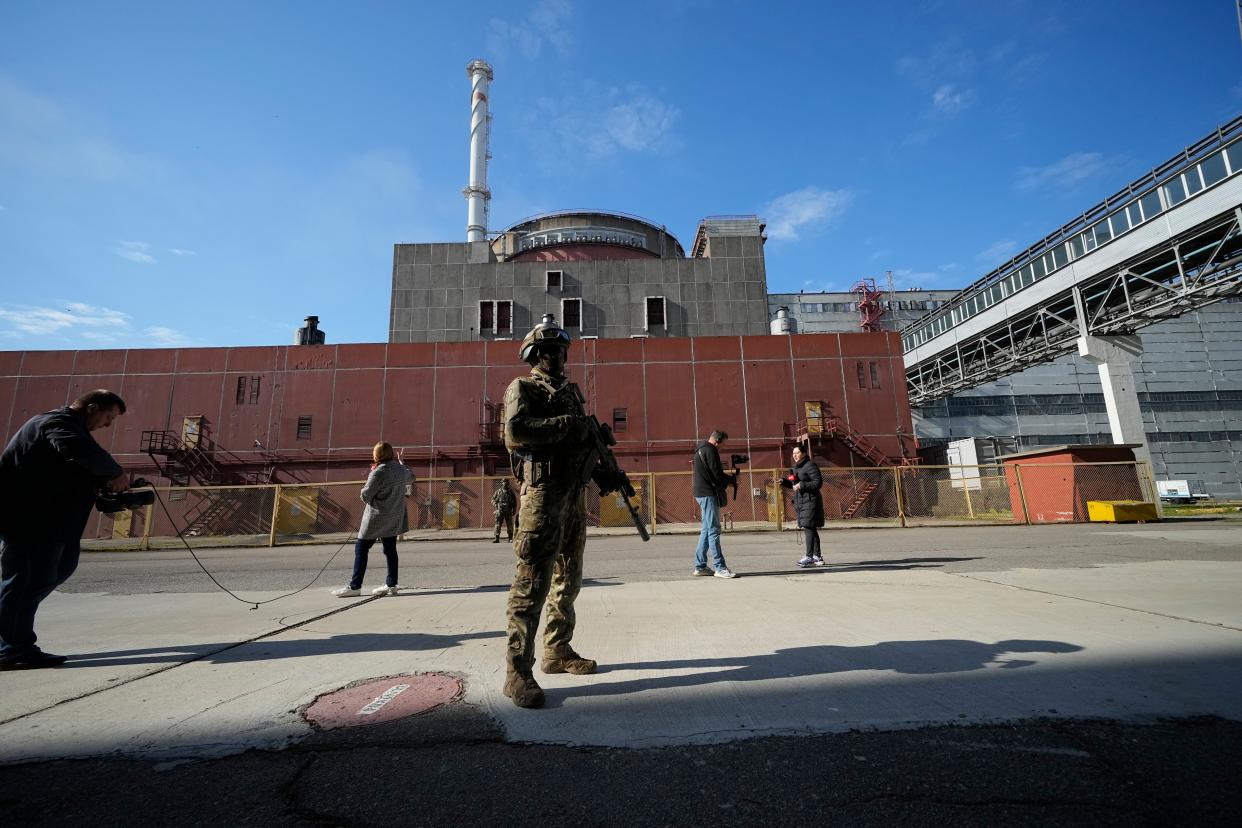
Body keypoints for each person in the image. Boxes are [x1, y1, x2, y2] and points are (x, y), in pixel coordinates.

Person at [501, 314, 598, 709]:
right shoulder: (522, 387)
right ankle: (517, 671)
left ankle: (557, 651)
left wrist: (593, 439)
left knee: (568, 579)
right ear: (535, 354)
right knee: (532, 582)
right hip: (541, 497)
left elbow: (580, 435)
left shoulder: (571, 391)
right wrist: (565, 426)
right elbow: (515, 432)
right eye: (550, 350)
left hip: (572, 495)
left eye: (561, 350)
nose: (558, 356)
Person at [0, 390, 129, 669]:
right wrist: (115, 473)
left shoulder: (73, 429)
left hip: (55, 524)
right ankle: (11, 647)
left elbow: (74, 468)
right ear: (91, 407)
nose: (108, 425)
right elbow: (80, 452)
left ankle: (12, 634)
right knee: (24, 581)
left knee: (55, 572)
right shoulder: (55, 423)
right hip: (28, 520)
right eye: (108, 417)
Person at [333, 442, 413, 598]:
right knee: (390, 550)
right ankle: (391, 585)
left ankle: (355, 586)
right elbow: (411, 476)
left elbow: (365, 495)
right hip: (394, 517)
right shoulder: (399, 469)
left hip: (376, 517)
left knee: (361, 548)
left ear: (377, 455)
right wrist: (402, 462)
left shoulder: (378, 472)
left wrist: (372, 474)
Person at [691, 430, 738, 579]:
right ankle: (720, 567)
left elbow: (713, 473)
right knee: (713, 530)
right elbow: (716, 475)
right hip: (707, 494)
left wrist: (728, 479)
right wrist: (731, 480)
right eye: (723, 444)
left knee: (706, 530)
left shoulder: (700, 449)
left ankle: (700, 566)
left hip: (701, 493)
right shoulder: (710, 451)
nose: (722, 447)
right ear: (717, 440)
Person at [787, 445, 825, 567]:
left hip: (811, 501)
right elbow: (795, 484)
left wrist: (802, 485)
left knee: (809, 527)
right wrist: (785, 482)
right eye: (793, 453)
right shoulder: (795, 468)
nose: (794, 455)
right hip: (801, 501)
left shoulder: (810, 466)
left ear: (803, 453)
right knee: (811, 529)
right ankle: (817, 557)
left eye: (797, 453)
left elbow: (817, 483)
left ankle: (809, 556)